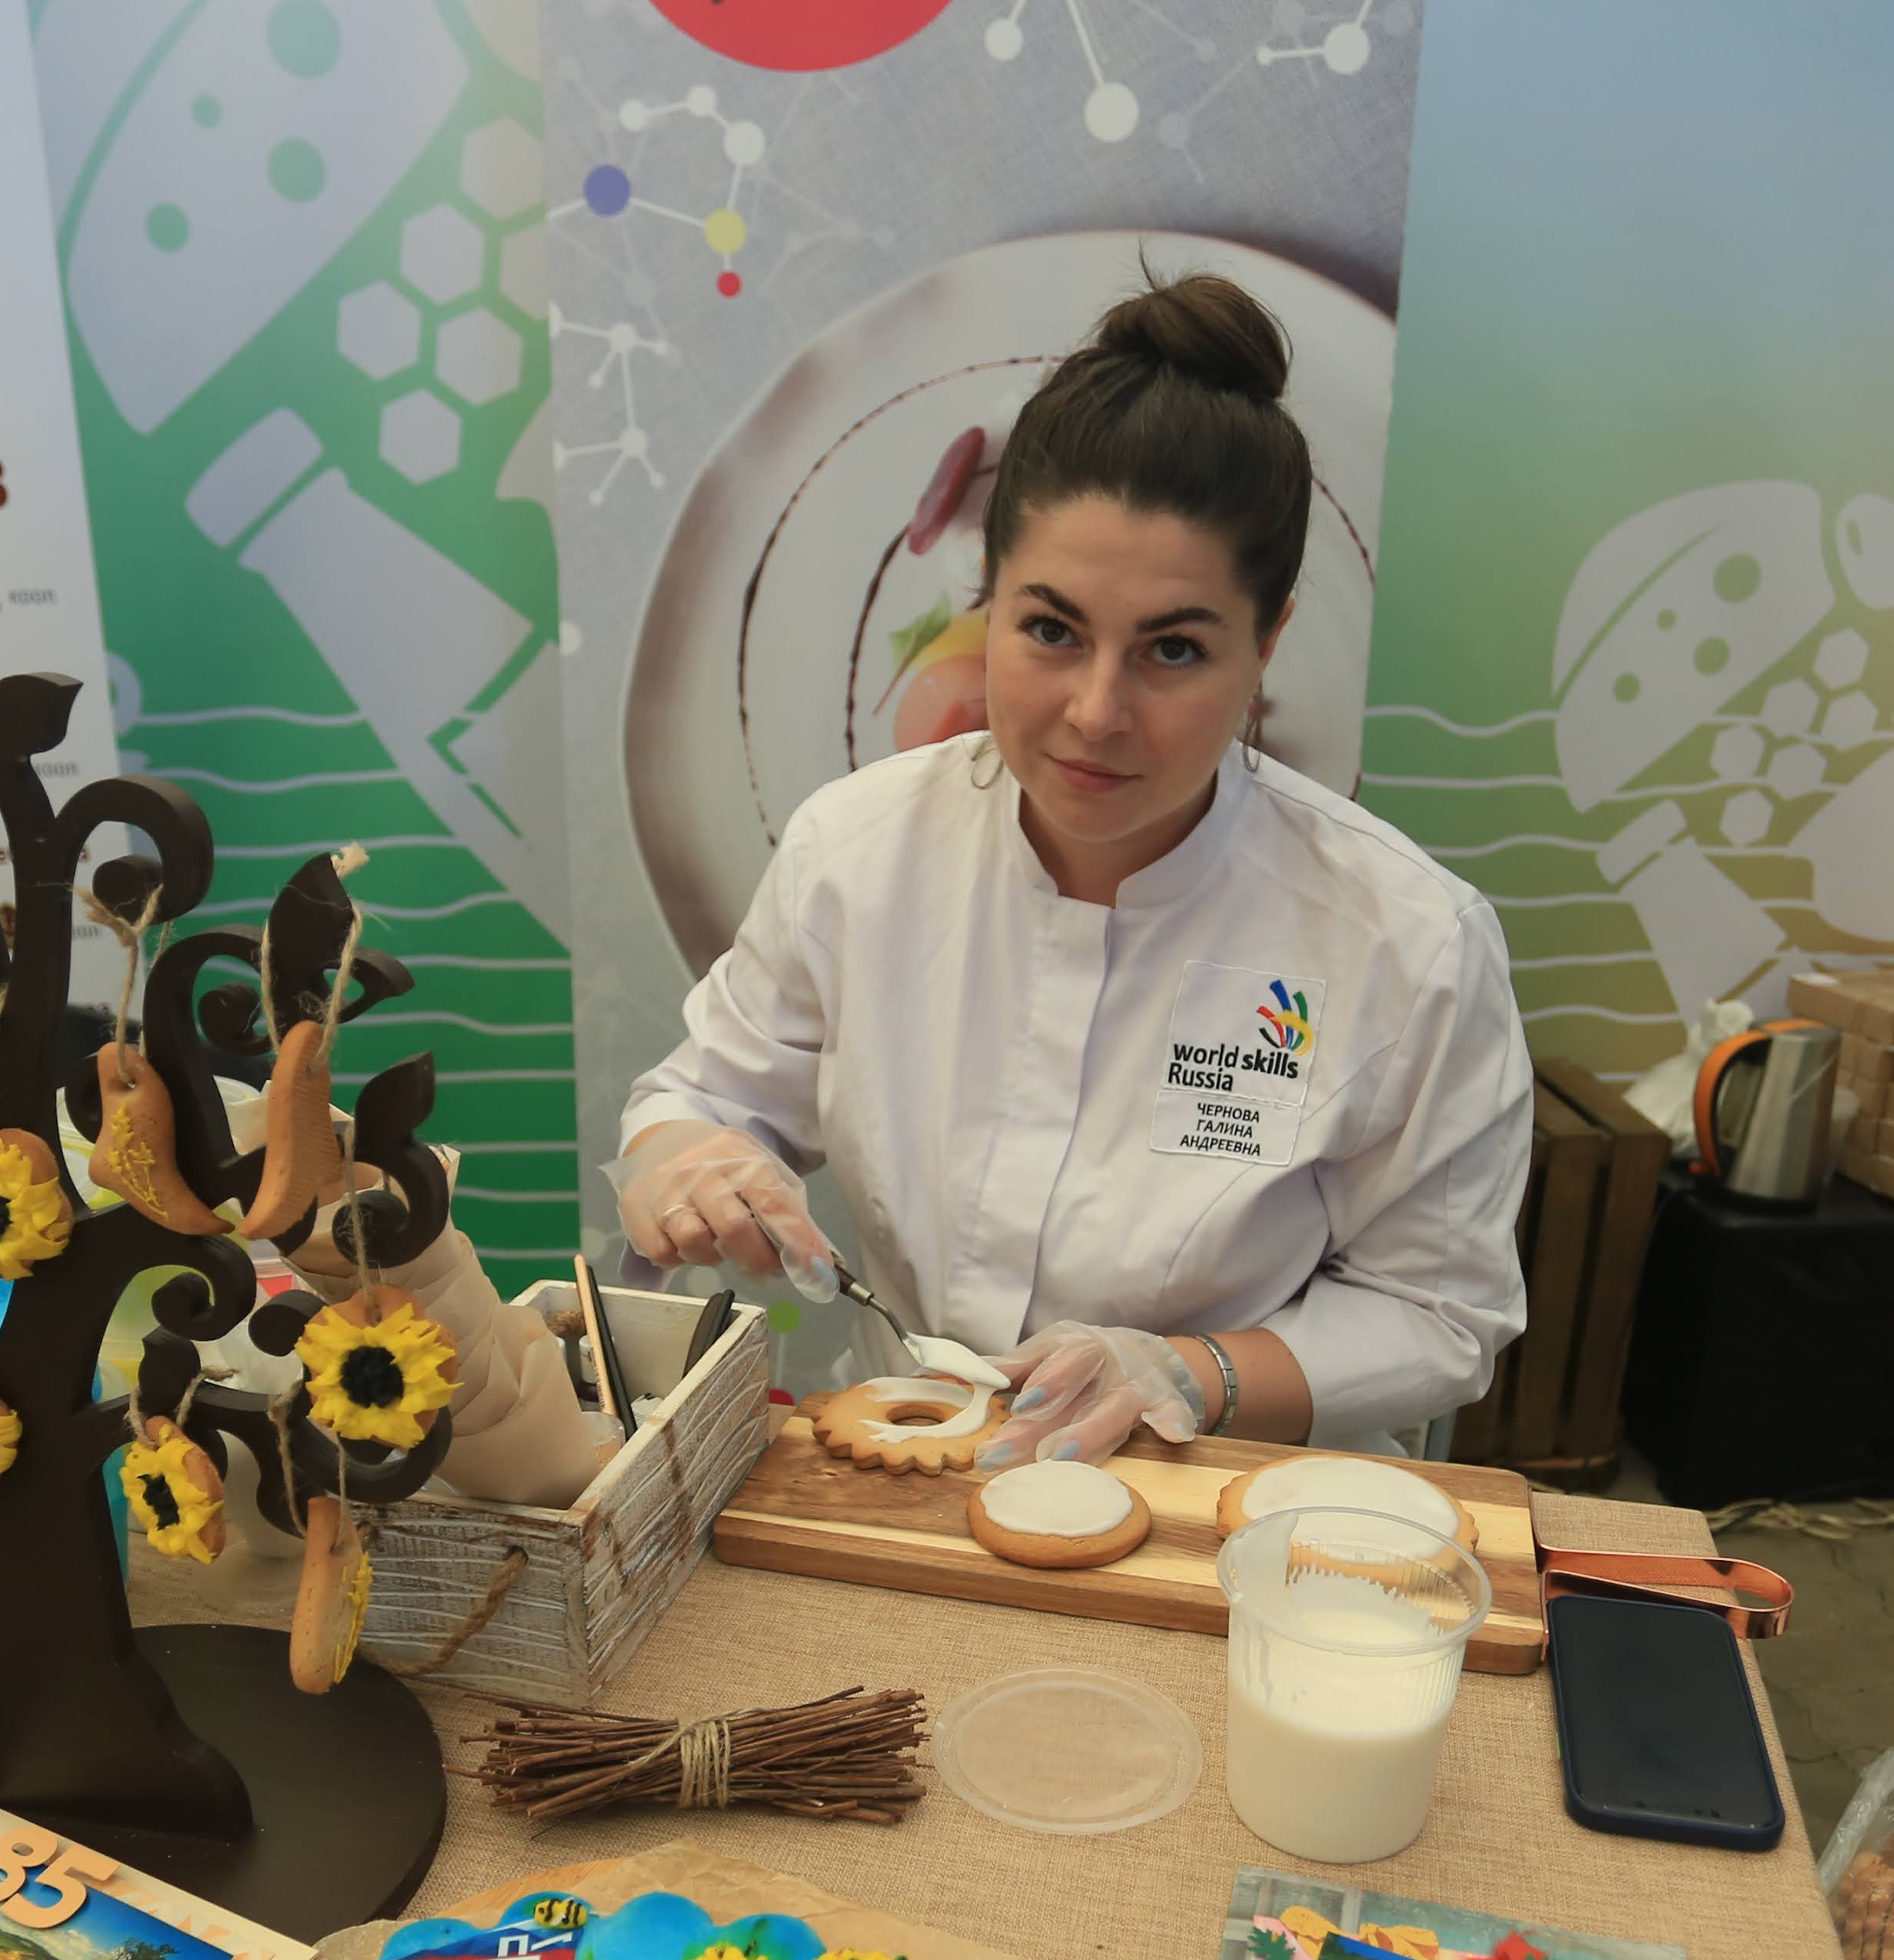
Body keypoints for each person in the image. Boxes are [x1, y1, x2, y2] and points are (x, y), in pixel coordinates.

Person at [612, 272, 1528, 1466]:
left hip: (1228, 1497)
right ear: (987, 602)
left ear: (1267, 643)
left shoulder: (1404, 939)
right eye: (1050, 630)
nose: (1097, 711)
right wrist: (693, 1163)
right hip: (914, 1469)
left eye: (1173, 650)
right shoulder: (858, 851)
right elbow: (703, 1099)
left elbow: (1441, 1313)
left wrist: (1187, 1373)